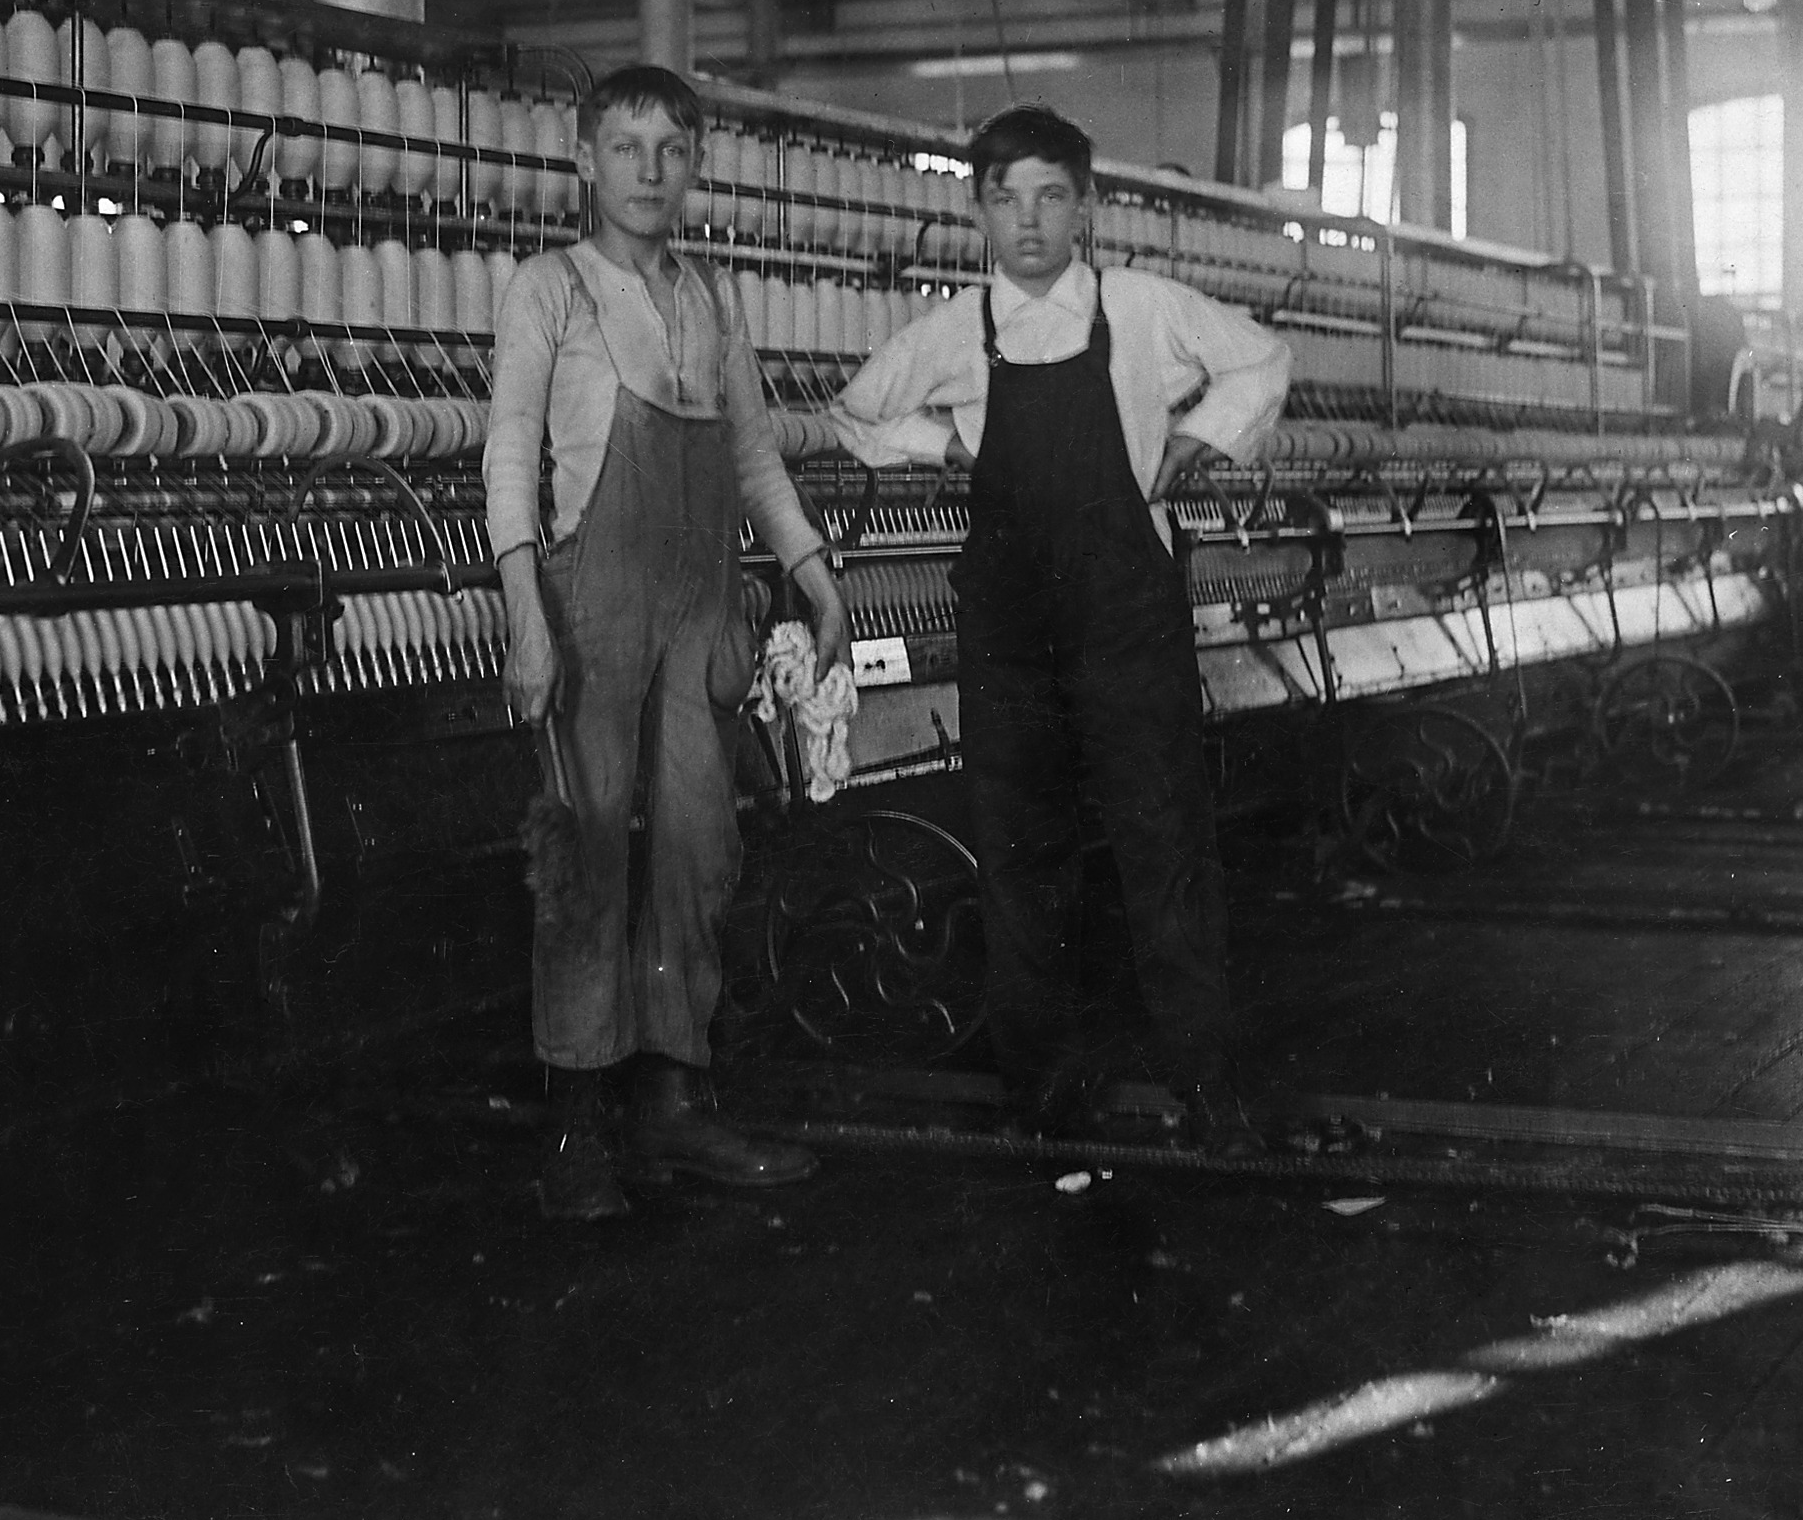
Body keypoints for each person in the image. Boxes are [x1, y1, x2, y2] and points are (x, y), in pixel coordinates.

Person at [829, 105, 1291, 1147]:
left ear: (1087, 204)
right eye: (1005, 199)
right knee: (1019, 849)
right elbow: (856, 411)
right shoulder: (955, 330)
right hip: (1011, 624)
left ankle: (1206, 1082)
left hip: (1126, 615)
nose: (1028, 221)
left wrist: (1197, 445)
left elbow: (1263, 360)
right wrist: (951, 450)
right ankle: (1042, 1090)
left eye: (1050, 197)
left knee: (1163, 838)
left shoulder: (1141, 307)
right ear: (976, 210)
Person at [487, 63, 852, 1221]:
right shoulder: (550, 289)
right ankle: (578, 1124)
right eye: (627, 147)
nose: (650, 171)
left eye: (672, 150)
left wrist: (813, 574)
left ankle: (677, 1103)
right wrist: (524, 615)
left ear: (696, 168)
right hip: (588, 604)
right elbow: (508, 456)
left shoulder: (711, 300)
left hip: (703, 604)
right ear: (583, 160)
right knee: (586, 853)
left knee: (700, 847)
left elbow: (751, 460)